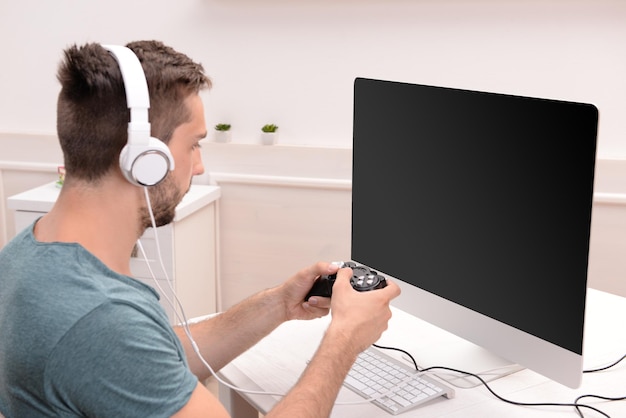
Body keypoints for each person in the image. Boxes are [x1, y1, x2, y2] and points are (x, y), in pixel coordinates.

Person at [0, 41, 401, 418]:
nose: (199, 166)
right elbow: (120, 345)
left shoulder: (29, 253)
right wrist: (345, 338)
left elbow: (150, 359)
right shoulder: (102, 319)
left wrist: (279, 303)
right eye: (193, 144)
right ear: (142, 159)